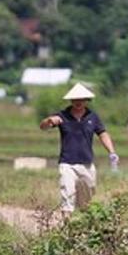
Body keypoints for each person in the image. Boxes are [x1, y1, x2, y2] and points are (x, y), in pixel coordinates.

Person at [39, 83, 119, 219]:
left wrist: (111, 151)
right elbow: (43, 126)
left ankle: (84, 226)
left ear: (86, 100)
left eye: (81, 99)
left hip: (86, 163)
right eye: (75, 99)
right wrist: (49, 120)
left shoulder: (93, 117)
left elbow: (103, 134)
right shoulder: (62, 116)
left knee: (87, 199)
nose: (78, 102)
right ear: (71, 100)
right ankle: (67, 228)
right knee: (67, 194)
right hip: (67, 163)